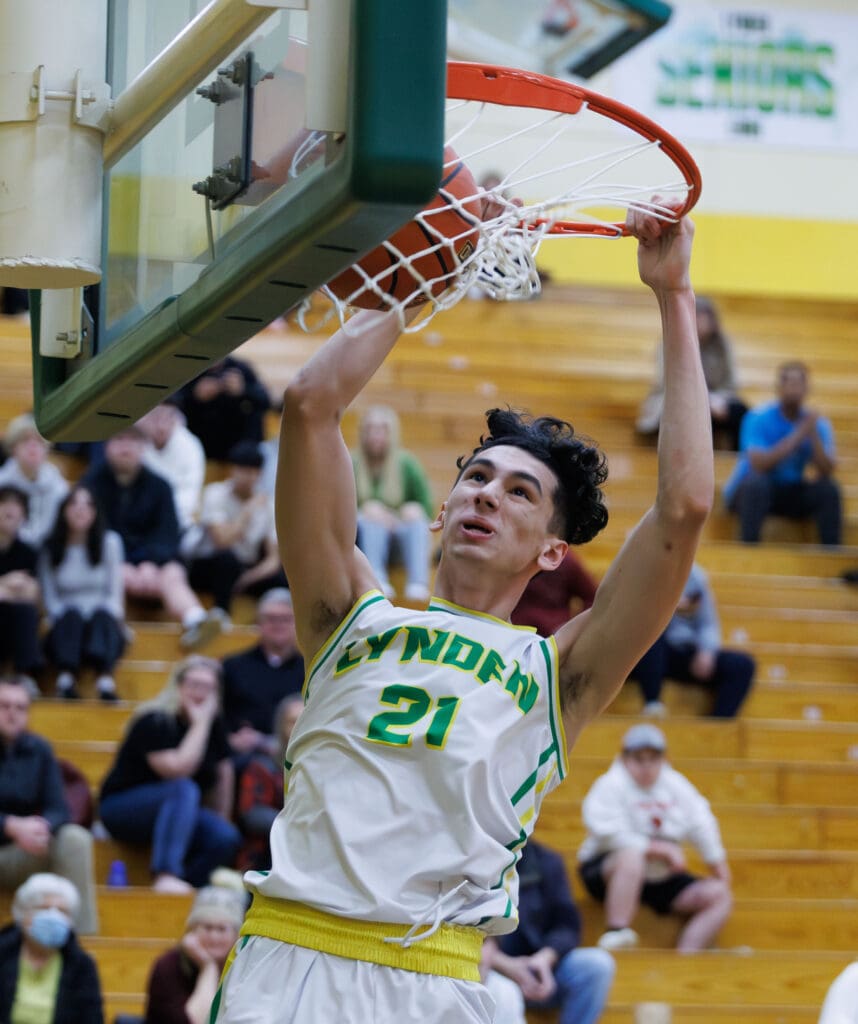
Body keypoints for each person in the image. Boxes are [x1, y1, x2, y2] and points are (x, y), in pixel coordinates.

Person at [212, 200, 713, 1024]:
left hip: (435, 980)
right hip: (289, 962)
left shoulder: (559, 672)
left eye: (521, 493)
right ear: (439, 513)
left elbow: (686, 507)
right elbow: (308, 404)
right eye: (476, 479)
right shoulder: (348, 616)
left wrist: (673, 294)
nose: (488, 494)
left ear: (553, 552)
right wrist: (428, 273)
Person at [577, 723, 732, 953]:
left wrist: (717, 865)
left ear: (663, 760)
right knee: (632, 857)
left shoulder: (676, 785)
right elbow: (605, 831)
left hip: (660, 877)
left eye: (653, 759)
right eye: (639, 759)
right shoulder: (611, 784)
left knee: (719, 894)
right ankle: (616, 931)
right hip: (608, 872)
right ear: (625, 759)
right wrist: (657, 848)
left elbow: (702, 822)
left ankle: (688, 956)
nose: (646, 767)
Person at [98, 656, 241, 893]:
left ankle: (188, 886)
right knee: (183, 788)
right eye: (194, 685)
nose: (200, 693)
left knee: (224, 836)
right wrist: (200, 724)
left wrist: (221, 817)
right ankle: (165, 874)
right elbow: (177, 769)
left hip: (179, 813)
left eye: (208, 688)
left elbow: (224, 772)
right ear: (178, 685)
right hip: (122, 808)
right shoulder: (154, 721)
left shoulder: (214, 726)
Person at [83, 425, 224, 649]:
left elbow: (168, 533)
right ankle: (115, 624)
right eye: (119, 440)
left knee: (173, 573)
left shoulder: (161, 486)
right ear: (107, 447)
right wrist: (124, 563)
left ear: (143, 448)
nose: (125, 447)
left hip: (155, 564)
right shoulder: (90, 485)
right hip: (112, 560)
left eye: (133, 441)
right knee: (111, 570)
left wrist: (150, 562)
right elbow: (91, 533)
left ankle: (195, 619)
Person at [0, 677, 99, 934]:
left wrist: (42, 827)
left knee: (74, 838)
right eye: (5, 706)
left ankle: (80, 944)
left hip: (23, 852)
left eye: (20, 708)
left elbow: (59, 808)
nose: (12, 714)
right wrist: (10, 826)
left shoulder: (40, 749)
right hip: (7, 841)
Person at [484, 839, 614, 1024]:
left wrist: (545, 958)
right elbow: (457, 928)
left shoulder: (546, 860)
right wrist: (504, 964)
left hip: (539, 971)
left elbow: (567, 925)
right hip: (488, 967)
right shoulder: (473, 860)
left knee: (597, 966)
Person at [722, 361, 841, 545]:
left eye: (799, 384)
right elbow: (758, 465)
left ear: (807, 388)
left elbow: (826, 470)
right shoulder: (757, 418)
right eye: (790, 383)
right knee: (756, 484)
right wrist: (798, 435)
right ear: (779, 387)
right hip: (750, 491)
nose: (794, 389)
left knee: (828, 490)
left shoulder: (816, 424)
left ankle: (832, 555)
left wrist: (813, 436)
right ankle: (748, 548)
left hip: (788, 491)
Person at [629, 562, 755, 718]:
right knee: (651, 637)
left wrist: (706, 651)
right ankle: (652, 704)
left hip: (683, 652)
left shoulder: (694, 576)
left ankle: (718, 728)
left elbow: (708, 623)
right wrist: (668, 605)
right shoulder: (637, 571)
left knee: (742, 665)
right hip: (646, 654)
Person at [38, 484, 127, 701]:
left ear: (95, 512)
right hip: (66, 622)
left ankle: (105, 681)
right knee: (71, 616)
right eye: (74, 504)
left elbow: (114, 594)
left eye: (88, 505)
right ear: (63, 511)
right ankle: (66, 680)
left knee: (104, 616)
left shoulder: (111, 543)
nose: (81, 509)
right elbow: (50, 598)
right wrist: (70, 616)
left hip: (101, 618)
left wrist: (105, 617)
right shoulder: (49, 547)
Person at [184, 441, 286, 621]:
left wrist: (248, 578)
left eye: (255, 472)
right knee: (227, 560)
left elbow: (273, 559)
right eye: (245, 470)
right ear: (233, 470)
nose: (250, 477)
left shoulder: (268, 504)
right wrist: (247, 511)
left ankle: (274, 622)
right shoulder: (215, 493)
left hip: (244, 570)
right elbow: (222, 540)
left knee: (282, 578)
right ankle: (221, 616)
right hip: (208, 565)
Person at [636, 296, 748, 450]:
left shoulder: (723, 345)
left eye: (701, 317)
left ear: (712, 321)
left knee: (739, 412)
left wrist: (715, 399)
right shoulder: (669, 342)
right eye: (693, 316)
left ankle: (735, 461)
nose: (696, 322)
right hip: (674, 400)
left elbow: (731, 383)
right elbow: (667, 382)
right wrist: (704, 399)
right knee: (691, 414)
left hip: (716, 401)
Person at [352, 404, 435, 601]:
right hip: (362, 538)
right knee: (371, 519)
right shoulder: (351, 462)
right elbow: (335, 509)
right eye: (370, 429)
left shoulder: (406, 463)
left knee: (417, 519)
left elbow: (427, 507)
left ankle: (418, 583)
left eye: (381, 429)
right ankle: (377, 579)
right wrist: (364, 510)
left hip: (398, 536)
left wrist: (413, 511)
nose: (375, 435)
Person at [0, 872, 104, 1022]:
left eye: (62, 911)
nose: (53, 916)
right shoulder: (3, 954)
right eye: (44, 908)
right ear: (23, 914)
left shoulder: (82, 966)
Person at [220, 588, 304, 764]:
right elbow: (220, 717)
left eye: (285, 619)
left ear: (296, 622)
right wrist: (232, 739)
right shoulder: (233, 666)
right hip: (245, 757)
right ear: (258, 622)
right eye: (271, 619)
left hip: (297, 753)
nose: (278, 625)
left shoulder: (311, 669)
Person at [144, 883, 247, 1024]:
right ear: (192, 930)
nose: (214, 937)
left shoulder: (244, 968)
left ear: (236, 935)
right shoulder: (168, 966)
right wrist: (209, 968)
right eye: (207, 927)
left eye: (222, 929)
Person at [234, 694, 303, 872]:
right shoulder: (263, 765)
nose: (299, 728)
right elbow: (253, 814)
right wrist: (299, 826)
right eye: (292, 721)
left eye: (304, 721)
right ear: (280, 727)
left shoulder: (325, 765)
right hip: (267, 854)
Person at [177, 355, 271, 461]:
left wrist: (243, 390)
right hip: (200, 442)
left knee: (254, 414)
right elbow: (172, 403)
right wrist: (195, 396)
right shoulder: (190, 370)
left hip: (237, 444)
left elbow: (265, 402)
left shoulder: (240, 368)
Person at [0, 413, 69, 548]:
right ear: (13, 448)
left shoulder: (58, 485)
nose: (32, 446)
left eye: (39, 441)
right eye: (25, 440)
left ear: (46, 449)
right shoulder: (2, 482)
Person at [138, 400, 206, 535]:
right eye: (155, 417)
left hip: (178, 523)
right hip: (137, 520)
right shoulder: (134, 442)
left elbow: (190, 494)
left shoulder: (191, 446)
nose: (160, 426)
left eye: (167, 417)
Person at [0, 486, 42, 690]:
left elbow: (31, 593)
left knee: (25, 612)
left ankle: (23, 675)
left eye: (16, 505)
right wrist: (8, 582)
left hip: (11, 617)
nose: (9, 510)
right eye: (4, 503)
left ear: (24, 516)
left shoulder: (28, 552)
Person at [511, 549, 598, 636]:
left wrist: (572, 629)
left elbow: (592, 598)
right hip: (513, 632)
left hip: (553, 637)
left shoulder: (566, 561)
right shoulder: (511, 557)